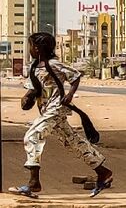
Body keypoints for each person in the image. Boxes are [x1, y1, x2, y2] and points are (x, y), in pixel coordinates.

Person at [9, 32, 113, 198]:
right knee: (72, 141)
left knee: (32, 136)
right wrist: (26, 99)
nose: (29, 50)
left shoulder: (54, 64)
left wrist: (70, 94)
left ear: (38, 48)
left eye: (31, 46)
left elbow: (75, 76)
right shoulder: (35, 67)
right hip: (46, 110)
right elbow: (32, 89)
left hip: (56, 109)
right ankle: (103, 172)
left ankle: (33, 183)